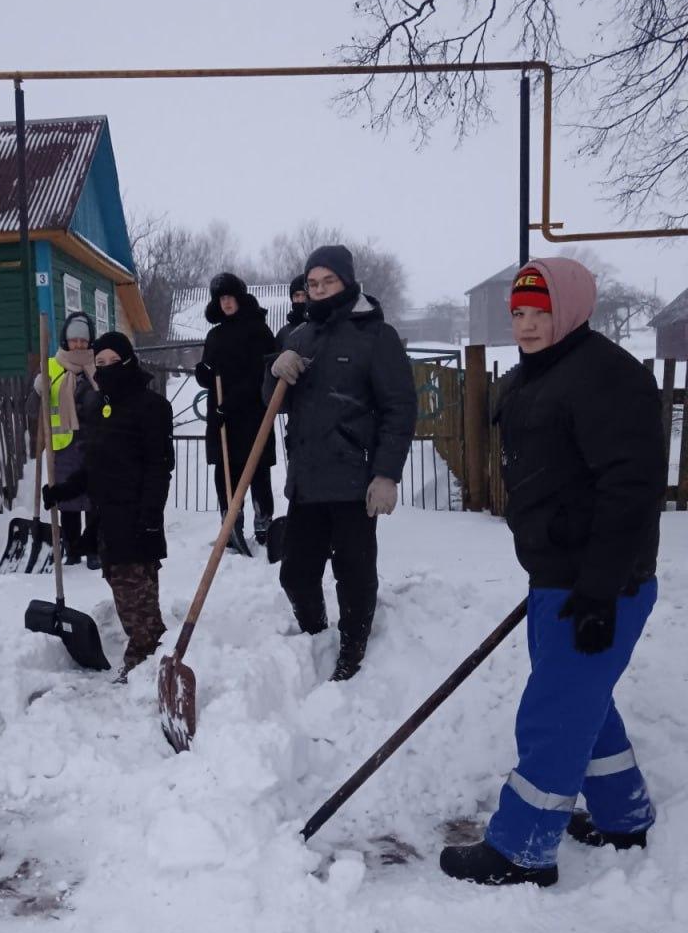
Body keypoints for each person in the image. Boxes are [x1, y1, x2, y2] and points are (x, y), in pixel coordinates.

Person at [440, 259, 666, 887]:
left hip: (600, 583)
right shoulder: (537, 373)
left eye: (540, 312)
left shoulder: (607, 376)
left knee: (553, 713)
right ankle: (624, 814)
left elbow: (630, 489)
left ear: (569, 309)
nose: (527, 324)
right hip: (558, 577)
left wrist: (598, 590)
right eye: (518, 313)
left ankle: (522, 849)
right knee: (582, 700)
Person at [264, 245, 417, 681]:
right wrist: (274, 370)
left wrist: (386, 474)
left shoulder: (376, 336)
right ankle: (316, 635)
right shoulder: (300, 336)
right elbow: (273, 404)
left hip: (354, 478)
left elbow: (400, 408)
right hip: (307, 479)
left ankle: (352, 646)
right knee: (296, 574)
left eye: (328, 281)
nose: (319, 289)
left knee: (354, 573)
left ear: (347, 282)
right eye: (312, 283)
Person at [42, 331, 174, 680]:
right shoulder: (100, 408)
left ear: (129, 361)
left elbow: (159, 467)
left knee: (135, 596)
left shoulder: (152, 407)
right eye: (100, 363)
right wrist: (63, 491)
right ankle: (153, 661)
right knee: (128, 591)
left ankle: (142, 665)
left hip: (137, 517)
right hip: (108, 518)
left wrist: (150, 515)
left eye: (114, 361)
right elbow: (93, 467)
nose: (106, 368)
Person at [194, 273, 277, 547]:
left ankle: (263, 522)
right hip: (222, 417)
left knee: (257, 468)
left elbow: (259, 375)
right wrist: (203, 372)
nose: (226, 303)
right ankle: (231, 522)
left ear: (239, 298)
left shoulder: (258, 330)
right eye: (221, 299)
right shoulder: (214, 335)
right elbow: (210, 375)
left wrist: (229, 405)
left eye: (230, 297)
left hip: (251, 414)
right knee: (225, 469)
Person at [43, 310, 102, 569]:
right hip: (63, 445)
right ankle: (72, 549)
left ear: (90, 341)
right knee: (67, 501)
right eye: (74, 339)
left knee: (93, 499)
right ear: (65, 340)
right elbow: (32, 410)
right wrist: (38, 390)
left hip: (94, 444)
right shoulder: (51, 366)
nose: (78, 344)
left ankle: (93, 550)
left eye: (83, 340)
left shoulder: (99, 366)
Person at [274, 274, 308, 350]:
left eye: (305, 295)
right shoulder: (283, 333)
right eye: (297, 295)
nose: (301, 300)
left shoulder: (320, 329)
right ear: (292, 298)